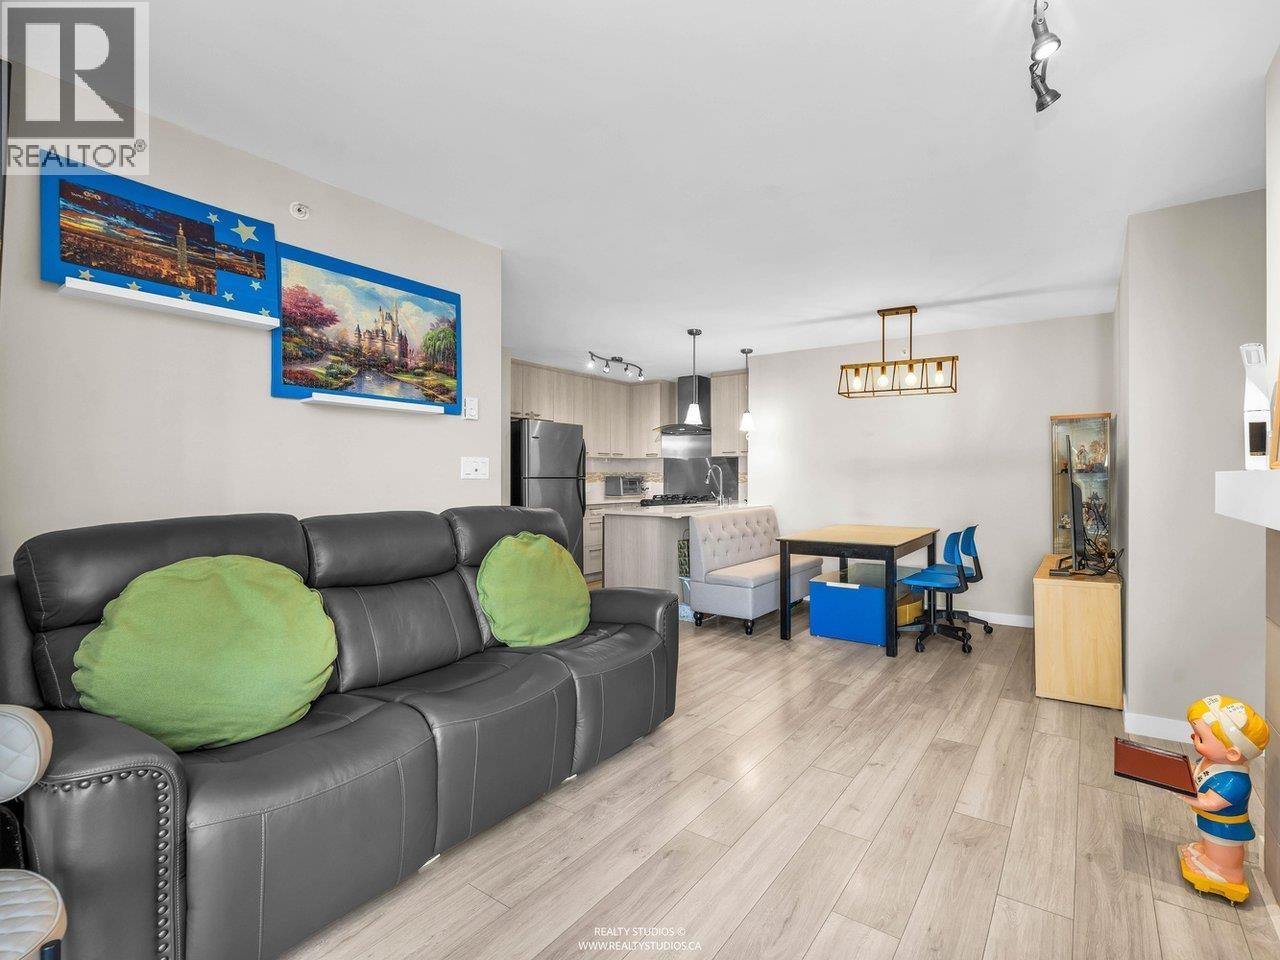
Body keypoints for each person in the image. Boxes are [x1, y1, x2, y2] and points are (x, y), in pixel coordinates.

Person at [1179, 694, 1270, 902]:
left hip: (1224, 828)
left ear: (1232, 754)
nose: (1193, 738)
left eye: (1200, 738)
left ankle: (1226, 871)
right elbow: (1198, 774)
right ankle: (1206, 854)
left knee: (1220, 848)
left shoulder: (1235, 782)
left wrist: (1183, 792)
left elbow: (1210, 802)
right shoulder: (1210, 761)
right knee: (1209, 843)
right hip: (1210, 823)